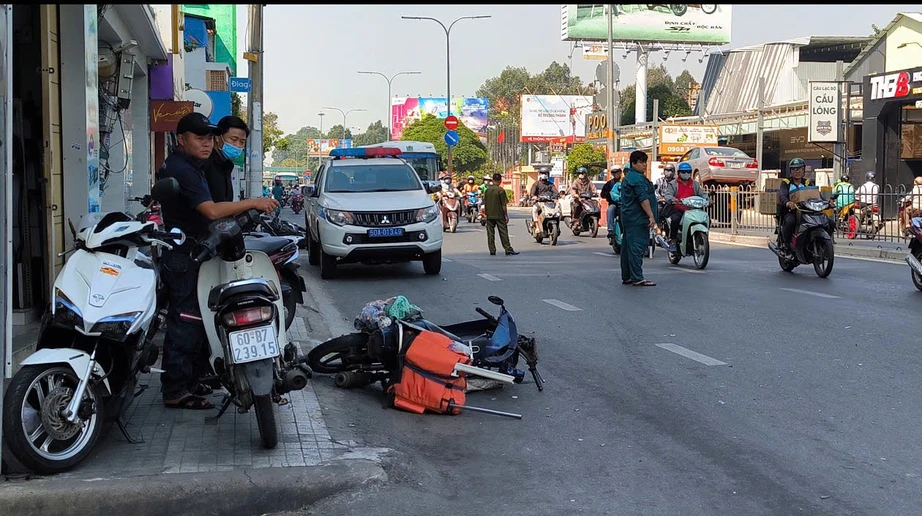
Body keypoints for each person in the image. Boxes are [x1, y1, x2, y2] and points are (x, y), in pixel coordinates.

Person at [156, 112, 278, 409]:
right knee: (186, 320)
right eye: (200, 138)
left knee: (198, 319)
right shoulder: (183, 169)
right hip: (184, 254)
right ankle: (175, 389)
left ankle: (192, 380)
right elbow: (210, 211)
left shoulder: (195, 166)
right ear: (181, 139)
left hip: (197, 251)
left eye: (210, 138)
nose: (207, 144)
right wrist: (254, 201)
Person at [619, 150, 658, 287]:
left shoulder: (631, 177)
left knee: (628, 247)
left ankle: (628, 276)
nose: (644, 165)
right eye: (641, 162)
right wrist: (651, 216)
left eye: (645, 162)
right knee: (637, 246)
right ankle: (637, 277)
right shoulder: (636, 179)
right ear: (633, 163)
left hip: (630, 217)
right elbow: (643, 199)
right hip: (637, 218)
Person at [778, 157, 832, 251]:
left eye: (800, 169)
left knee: (830, 222)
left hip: (808, 211)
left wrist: (827, 203)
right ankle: (786, 246)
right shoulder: (786, 183)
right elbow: (782, 195)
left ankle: (824, 244)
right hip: (792, 211)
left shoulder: (807, 182)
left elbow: (817, 194)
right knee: (790, 222)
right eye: (794, 169)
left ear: (803, 170)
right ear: (791, 171)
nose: (797, 171)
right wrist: (787, 203)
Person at [204, 116, 249, 203]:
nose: (237, 145)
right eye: (233, 139)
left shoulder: (226, 165)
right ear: (218, 137)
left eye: (242, 142)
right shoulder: (205, 162)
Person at [663, 162, 708, 244]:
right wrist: (674, 200)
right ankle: (673, 239)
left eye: (688, 172)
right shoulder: (673, 184)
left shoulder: (695, 184)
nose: (686, 174)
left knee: (706, 218)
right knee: (675, 219)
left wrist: (708, 200)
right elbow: (668, 195)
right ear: (679, 173)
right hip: (678, 209)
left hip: (693, 210)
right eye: (683, 172)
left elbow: (702, 194)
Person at [483, 172, 518, 256]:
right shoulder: (501, 190)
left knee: (490, 233)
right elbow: (504, 205)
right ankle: (507, 248)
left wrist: (485, 213)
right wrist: (506, 215)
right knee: (503, 232)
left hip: (489, 214)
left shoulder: (487, 190)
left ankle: (492, 249)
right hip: (499, 214)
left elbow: (485, 203)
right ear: (500, 180)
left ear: (492, 180)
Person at [600, 165, 623, 239]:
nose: (616, 174)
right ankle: (611, 230)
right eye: (614, 172)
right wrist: (610, 195)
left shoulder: (625, 182)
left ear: (620, 172)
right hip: (614, 204)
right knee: (610, 210)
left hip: (625, 204)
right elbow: (602, 194)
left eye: (617, 172)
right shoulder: (609, 184)